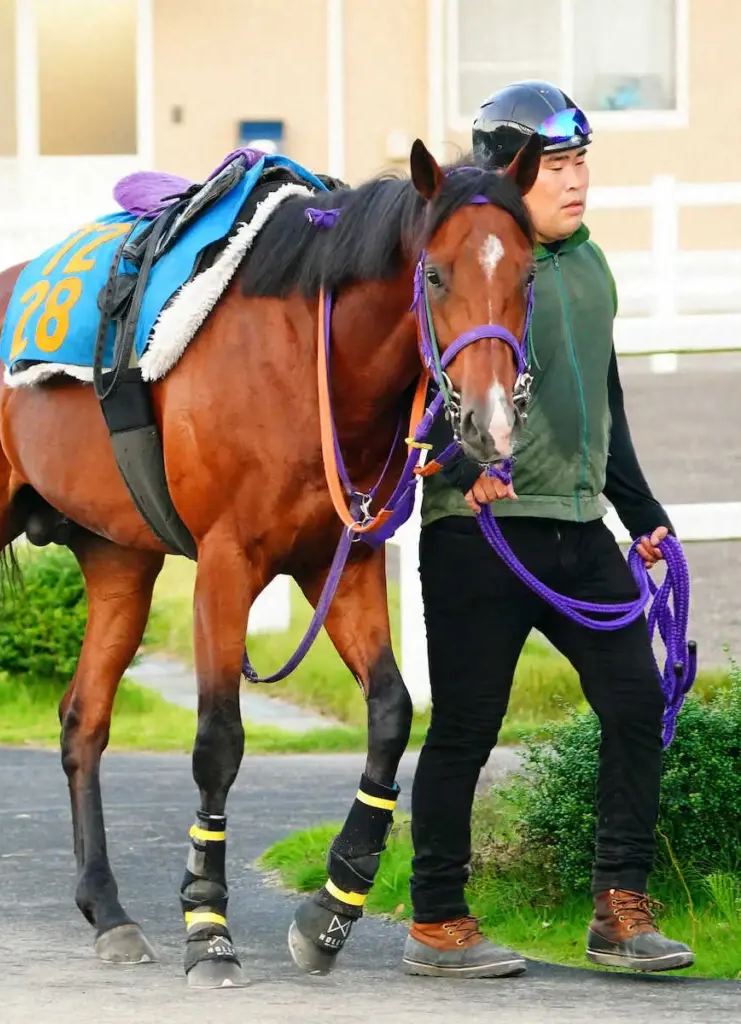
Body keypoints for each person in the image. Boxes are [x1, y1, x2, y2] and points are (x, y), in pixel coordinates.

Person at [403, 80, 694, 979]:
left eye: (580, 164)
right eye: (557, 167)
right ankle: (436, 921)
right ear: (508, 174)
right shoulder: (469, 264)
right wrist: (456, 469)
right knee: (465, 728)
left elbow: (599, 404)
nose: (575, 182)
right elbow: (413, 402)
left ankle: (618, 911)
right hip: (477, 536)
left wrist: (643, 520)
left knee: (636, 706)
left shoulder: (592, 267)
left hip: (575, 530)